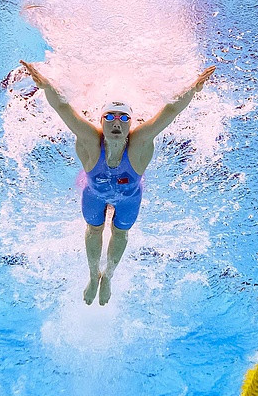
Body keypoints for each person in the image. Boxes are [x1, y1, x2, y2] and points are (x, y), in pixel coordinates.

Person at [20, 60, 216, 305]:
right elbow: (62, 107)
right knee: (94, 230)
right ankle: (93, 276)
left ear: (130, 123)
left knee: (120, 234)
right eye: (110, 116)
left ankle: (108, 277)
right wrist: (46, 86)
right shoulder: (91, 141)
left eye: (123, 118)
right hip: (94, 193)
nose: (116, 122)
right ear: (101, 121)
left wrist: (192, 89)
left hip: (129, 198)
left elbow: (170, 111)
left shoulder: (140, 142)